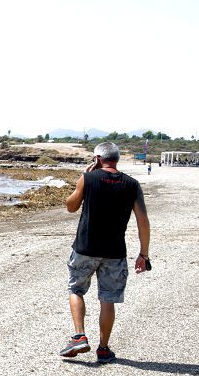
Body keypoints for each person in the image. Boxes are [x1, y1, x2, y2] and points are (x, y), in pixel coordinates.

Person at [60, 142, 150, 363]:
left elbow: (70, 206)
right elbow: (143, 222)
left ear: (98, 159)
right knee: (107, 299)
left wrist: (83, 178)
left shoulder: (88, 178)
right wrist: (144, 254)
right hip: (114, 252)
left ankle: (79, 336)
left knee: (76, 290)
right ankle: (103, 348)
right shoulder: (132, 184)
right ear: (116, 159)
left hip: (85, 248)